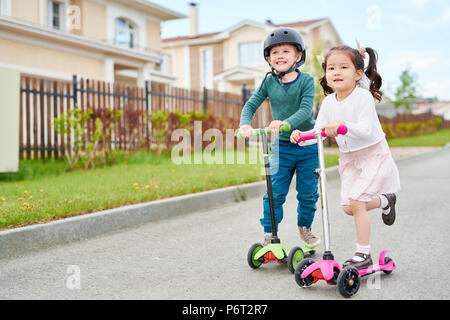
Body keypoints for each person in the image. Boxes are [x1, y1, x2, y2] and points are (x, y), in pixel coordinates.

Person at [290, 44, 401, 270]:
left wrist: (343, 126)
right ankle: (385, 200)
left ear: (358, 74)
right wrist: (302, 136)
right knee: (349, 207)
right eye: (331, 68)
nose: (336, 72)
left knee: (358, 201)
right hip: (349, 159)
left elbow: (367, 131)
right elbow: (319, 131)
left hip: (372, 154)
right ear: (326, 74)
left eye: (343, 67)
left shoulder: (363, 98)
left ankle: (363, 253)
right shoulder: (328, 102)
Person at [238, 27, 320, 248]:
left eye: (286, 51)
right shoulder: (268, 82)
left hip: (307, 145)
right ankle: (269, 233)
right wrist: (244, 124)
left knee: (308, 193)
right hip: (282, 147)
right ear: (268, 58)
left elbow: (306, 110)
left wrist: (286, 123)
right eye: (275, 52)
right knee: (274, 191)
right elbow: (251, 104)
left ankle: (305, 227)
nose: (280, 56)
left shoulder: (306, 81)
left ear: (298, 56)